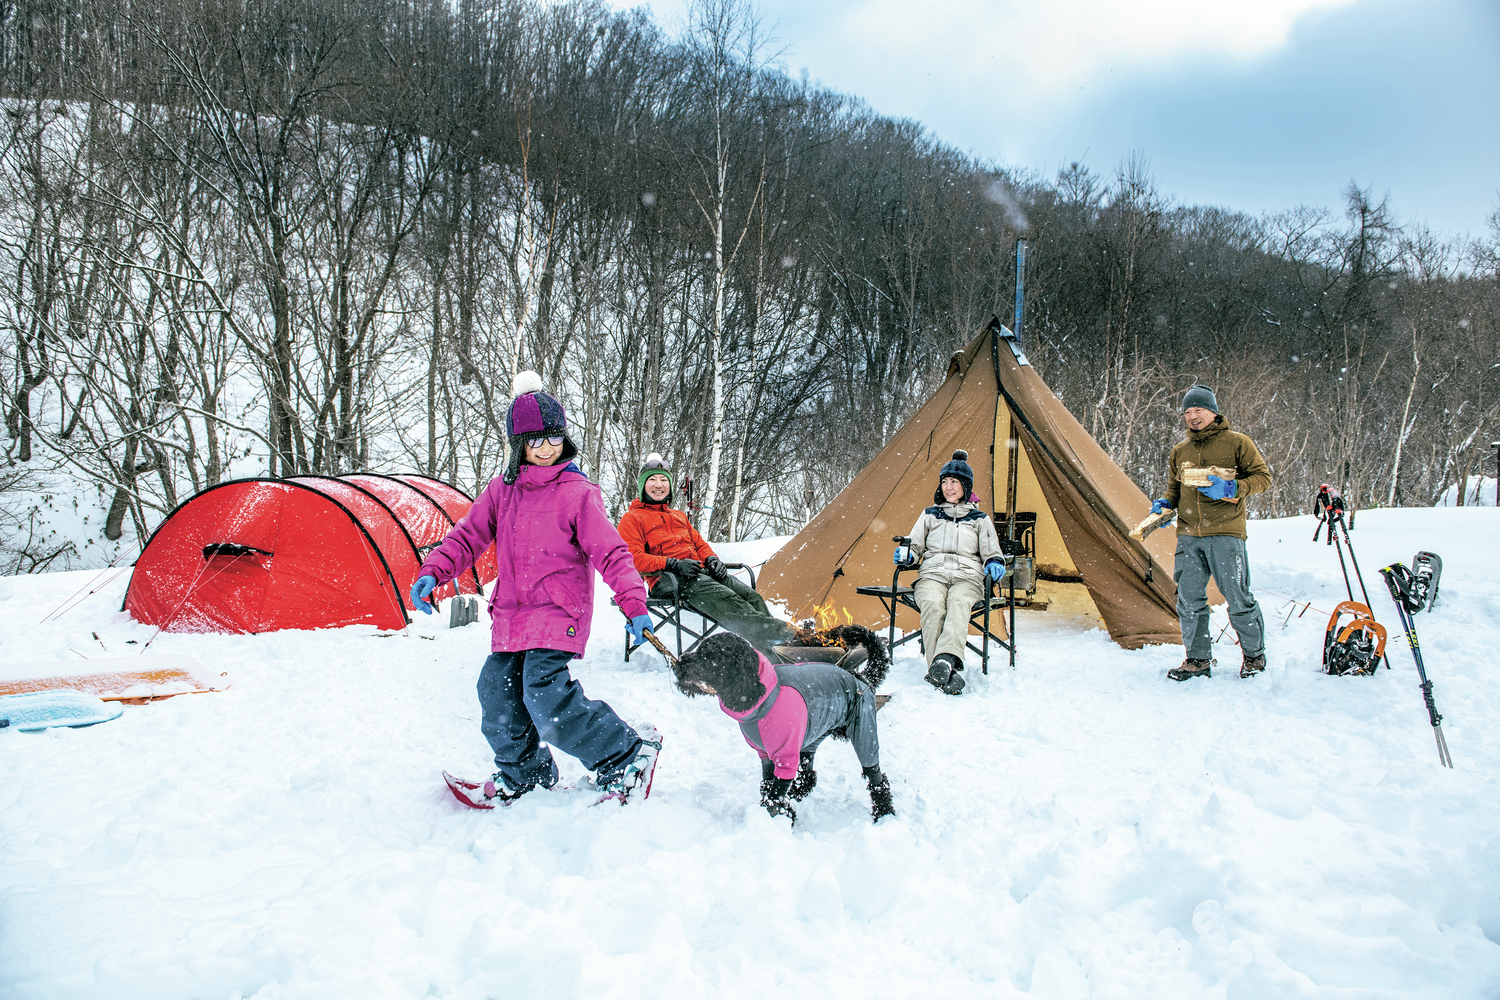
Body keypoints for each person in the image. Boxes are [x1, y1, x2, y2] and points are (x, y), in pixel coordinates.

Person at [410, 371, 661, 804]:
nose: (546, 448)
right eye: (534, 440)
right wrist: (435, 569)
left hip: (559, 611)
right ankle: (525, 773)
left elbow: (611, 551)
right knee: (495, 691)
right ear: (517, 445)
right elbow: (468, 536)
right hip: (512, 613)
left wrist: (634, 602)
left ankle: (625, 756)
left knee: (544, 695)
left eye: (554, 438)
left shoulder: (579, 493)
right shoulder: (500, 492)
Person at [669, 630, 894, 824]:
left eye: (707, 662)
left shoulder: (779, 708)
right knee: (798, 736)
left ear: (730, 675)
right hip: (813, 700)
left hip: (852, 695)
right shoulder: (750, 706)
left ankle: (881, 796)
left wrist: (773, 802)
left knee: (867, 756)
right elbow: (767, 752)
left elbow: (784, 763)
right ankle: (804, 781)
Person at [617, 453, 799, 659]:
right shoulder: (632, 518)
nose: (658, 485)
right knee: (728, 599)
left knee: (751, 597)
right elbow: (633, 559)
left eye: (663, 480)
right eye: (652, 480)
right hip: (667, 579)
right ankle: (791, 638)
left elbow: (699, 544)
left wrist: (712, 559)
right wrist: (673, 564)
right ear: (643, 487)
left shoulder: (678, 516)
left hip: (698, 572)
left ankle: (774, 655)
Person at [1151, 384, 1273, 681]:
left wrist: (1233, 487)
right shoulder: (1180, 451)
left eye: (1199, 410)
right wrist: (1166, 504)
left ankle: (1254, 657)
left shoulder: (1237, 443)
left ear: (1213, 411)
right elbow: (1174, 489)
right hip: (1190, 536)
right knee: (1189, 598)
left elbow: (1263, 478)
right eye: (1188, 412)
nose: (1193, 417)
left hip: (1226, 534)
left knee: (1237, 595)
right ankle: (1197, 660)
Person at [895, 449, 1006, 696]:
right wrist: (908, 555)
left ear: (965, 485)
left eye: (954, 481)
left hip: (967, 577)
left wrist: (994, 562)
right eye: (945, 481)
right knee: (933, 605)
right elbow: (914, 545)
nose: (948, 487)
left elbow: (992, 551)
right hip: (932, 575)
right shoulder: (929, 515)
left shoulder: (979, 519)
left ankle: (942, 661)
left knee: (957, 603)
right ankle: (945, 667)